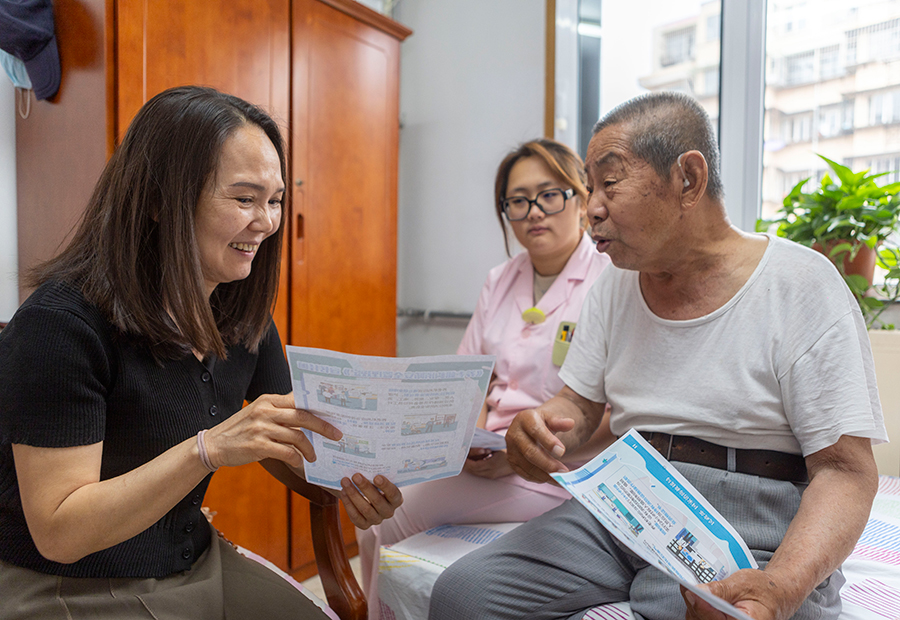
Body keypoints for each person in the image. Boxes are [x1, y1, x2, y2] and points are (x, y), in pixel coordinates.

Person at [428, 91, 886, 620]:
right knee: (463, 594)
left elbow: (846, 472)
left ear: (687, 180)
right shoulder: (613, 289)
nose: (592, 206)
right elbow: (578, 405)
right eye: (589, 187)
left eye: (610, 183)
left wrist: (782, 584)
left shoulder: (799, 284)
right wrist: (541, 427)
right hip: (626, 499)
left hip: (750, 515)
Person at [0, 85, 402, 620]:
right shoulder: (61, 326)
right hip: (68, 583)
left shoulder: (239, 314)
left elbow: (283, 442)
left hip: (186, 561)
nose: (267, 222)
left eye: (275, 199)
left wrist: (348, 482)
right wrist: (207, 449)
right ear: (160, 201)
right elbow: (60, 531)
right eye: (244, 198)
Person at [357, 139, 612, 619]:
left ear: (580, 197)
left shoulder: (609, 280)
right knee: (378, 490)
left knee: (389, 514)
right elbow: (469, 380)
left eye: (549, 194)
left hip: (562, 469)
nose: (534, 212)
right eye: (518, 201)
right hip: (489, 455)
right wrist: (464, 441)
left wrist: (519, 457)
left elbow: (615, 410)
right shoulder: (502, 278)